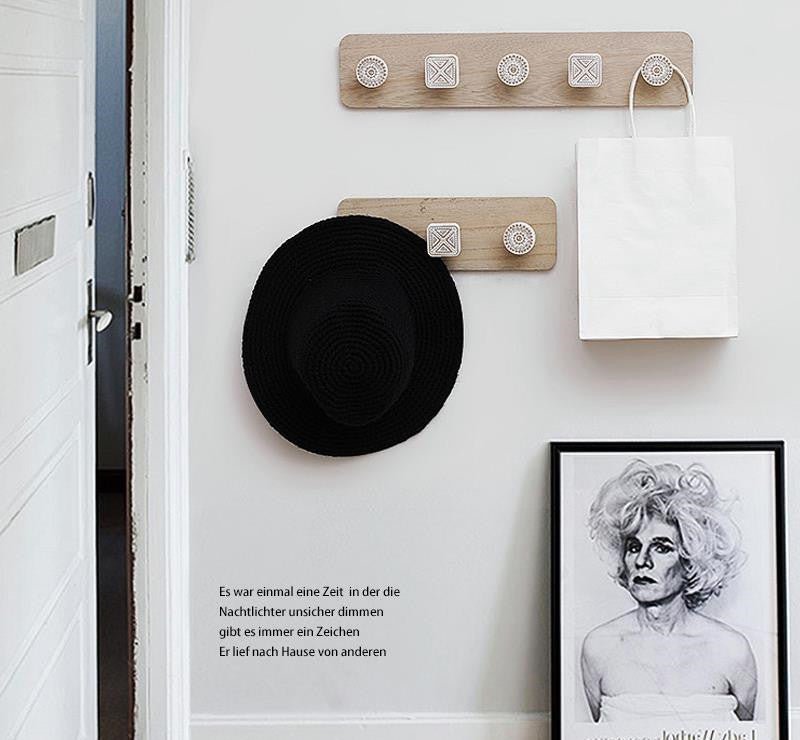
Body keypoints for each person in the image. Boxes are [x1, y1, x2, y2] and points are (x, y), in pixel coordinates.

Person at [581, 460, 756, 723]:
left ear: (691, 562)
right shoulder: (599, 647)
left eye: (661, 547)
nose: (641, 561)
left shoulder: (732, 650)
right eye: (633, 547)